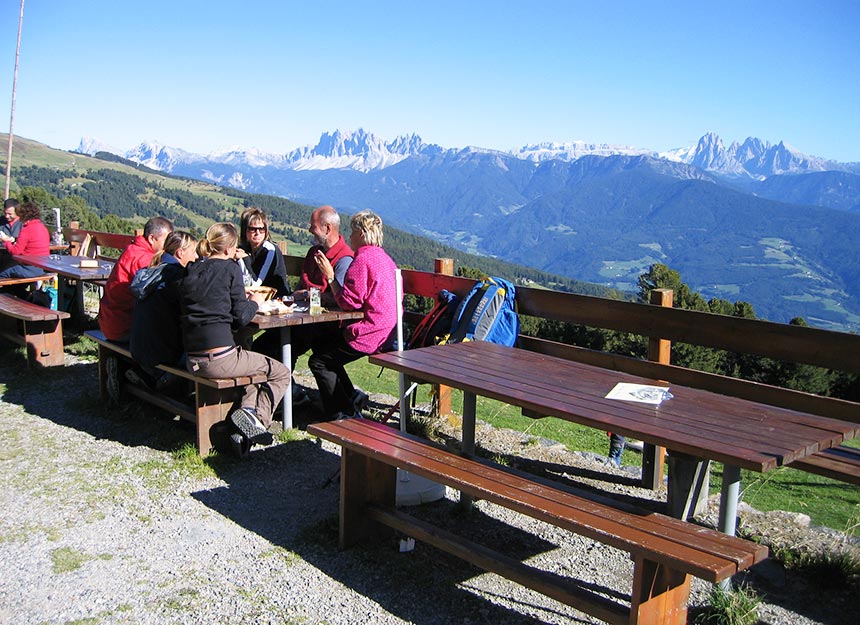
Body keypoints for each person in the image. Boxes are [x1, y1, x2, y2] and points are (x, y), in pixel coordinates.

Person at [179, 222, 290, 454]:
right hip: (219, 359)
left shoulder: (192, 268)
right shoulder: (230, 269)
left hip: (192, 357)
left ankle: (244, 423)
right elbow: (241, 317)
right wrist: (255, 302)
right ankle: (260, 421)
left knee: (251, 369)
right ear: (230, 249)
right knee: (280, 371)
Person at [250, 205, 353, 407]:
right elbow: (300, 286)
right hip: (301, 317)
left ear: (327, 228)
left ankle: (287, 396)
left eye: (313, 227)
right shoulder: (313, 252)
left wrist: (310, 295)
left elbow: (340, 300)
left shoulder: (344, 259)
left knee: (276, 345)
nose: (309, 231)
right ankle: (286, 393)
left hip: (324, 323)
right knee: (263, 345)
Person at [308, 210, 398, 419]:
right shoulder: (385, 258)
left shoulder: (362, 260)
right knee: (323, 346)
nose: (349, 237)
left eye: (352, 231)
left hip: (370, 332)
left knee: (319, 361)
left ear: (361, 233)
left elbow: (349, 303)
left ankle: (341, 414)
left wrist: (331, 277)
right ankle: (349, 397)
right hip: (388, 331)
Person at [129, 230, 199, 382]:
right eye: (193, 252)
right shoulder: (177, 276)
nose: (196, 257)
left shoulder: (151, 269)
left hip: (138, 346)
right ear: (180, 253)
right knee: (205, 352)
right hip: (162, 352)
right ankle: (171, 384)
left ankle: (149, 376)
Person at [98, 216, 173, 342]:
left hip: (110, 321)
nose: (167, 247)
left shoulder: (133, 249)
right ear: (152, 238)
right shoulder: (143, 258)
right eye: (165, 241)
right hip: (123, 327)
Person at [235, 207, 290, 296]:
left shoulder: (270, 250)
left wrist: (244, 259)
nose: (258, 233)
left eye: (261, 229)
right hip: (252, 298)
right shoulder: (243, 248)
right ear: (245, 230)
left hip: (274, 299)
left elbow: (256, 285)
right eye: (253, 229)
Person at [0, 200, 51, 280]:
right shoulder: (43, 228)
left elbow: (15, 252)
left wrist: (6, 241)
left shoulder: (27, 230)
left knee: (3, 272)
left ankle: (7, 292)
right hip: (42, 267)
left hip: (28, 268)